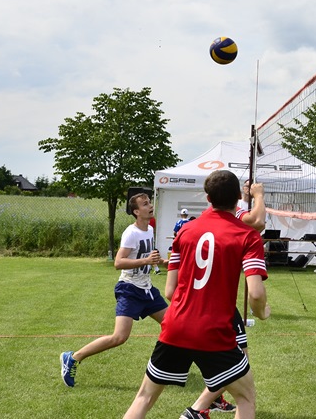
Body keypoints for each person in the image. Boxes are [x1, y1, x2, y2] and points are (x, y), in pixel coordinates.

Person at [124, 169, 269, 419]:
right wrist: (262, 312)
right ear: (238, 198)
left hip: (176, 325)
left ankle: (195, 411)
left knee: (144, 398)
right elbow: (255, 294)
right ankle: (196, 411)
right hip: (214, 331)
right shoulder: (247, 235)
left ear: (207, 198)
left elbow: (170, 291)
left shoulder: (185, 231)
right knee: (245, 398)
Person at [60, 191, 167, 387]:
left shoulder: (150, 229)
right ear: (136, 211)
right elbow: (118, 262)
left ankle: (167, 368)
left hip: (147, 289)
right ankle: (73, 357)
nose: (150, 205)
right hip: (129, 289)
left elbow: (149, 257)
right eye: (144, 204)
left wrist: (163, 261)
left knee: (173, 325)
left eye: (149, 202)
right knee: (119, 337)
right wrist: (145, 260)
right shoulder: (131, 232)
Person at [185, 179, 267, 416]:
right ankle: (197, 409)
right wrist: (260, 195)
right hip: (218, 307)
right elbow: (258, 222)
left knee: (237, 364)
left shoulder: (210, 217)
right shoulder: (234, 216)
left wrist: (248, 195)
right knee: (240, 368)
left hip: (197, 307)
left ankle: (203, 405)